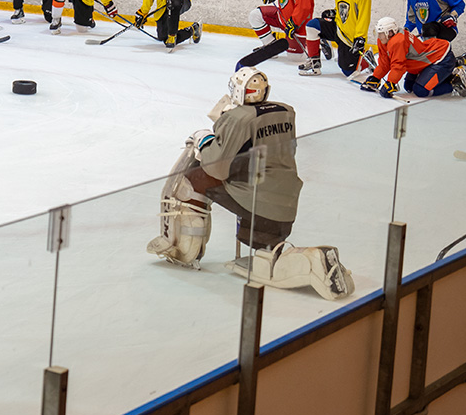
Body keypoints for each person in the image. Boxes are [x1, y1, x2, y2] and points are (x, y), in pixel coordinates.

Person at [146, 68, 354, 300]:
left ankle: (184, 250)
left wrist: (205, 138)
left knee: (192, 180)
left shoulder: (238, 118)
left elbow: (216, 167)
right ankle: (303, 259)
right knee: (267, 257)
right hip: (285, 202)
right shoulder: (286, 111)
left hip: (257, 200)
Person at [360, 17, 466, 100]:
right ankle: (457, 63)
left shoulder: (397, 41)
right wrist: (375, 78)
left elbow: (398, 65)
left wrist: (391, 83)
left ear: (391, 32)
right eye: (378, 33)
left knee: (421, 91)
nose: (380, 37)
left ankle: (453, 81)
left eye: (382, 33)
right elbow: (385, 62)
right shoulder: (385, 40)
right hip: (425, 62)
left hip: (440, 59)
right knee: (409, 86)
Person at [302, 0, 372, 77]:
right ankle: (314, 63)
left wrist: (360, 38)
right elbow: (342, 10)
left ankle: (366, 60)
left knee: (348, 71)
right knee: (312, 25)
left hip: (349, 36)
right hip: (337, 27)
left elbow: (364, 18)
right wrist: (334, 13)